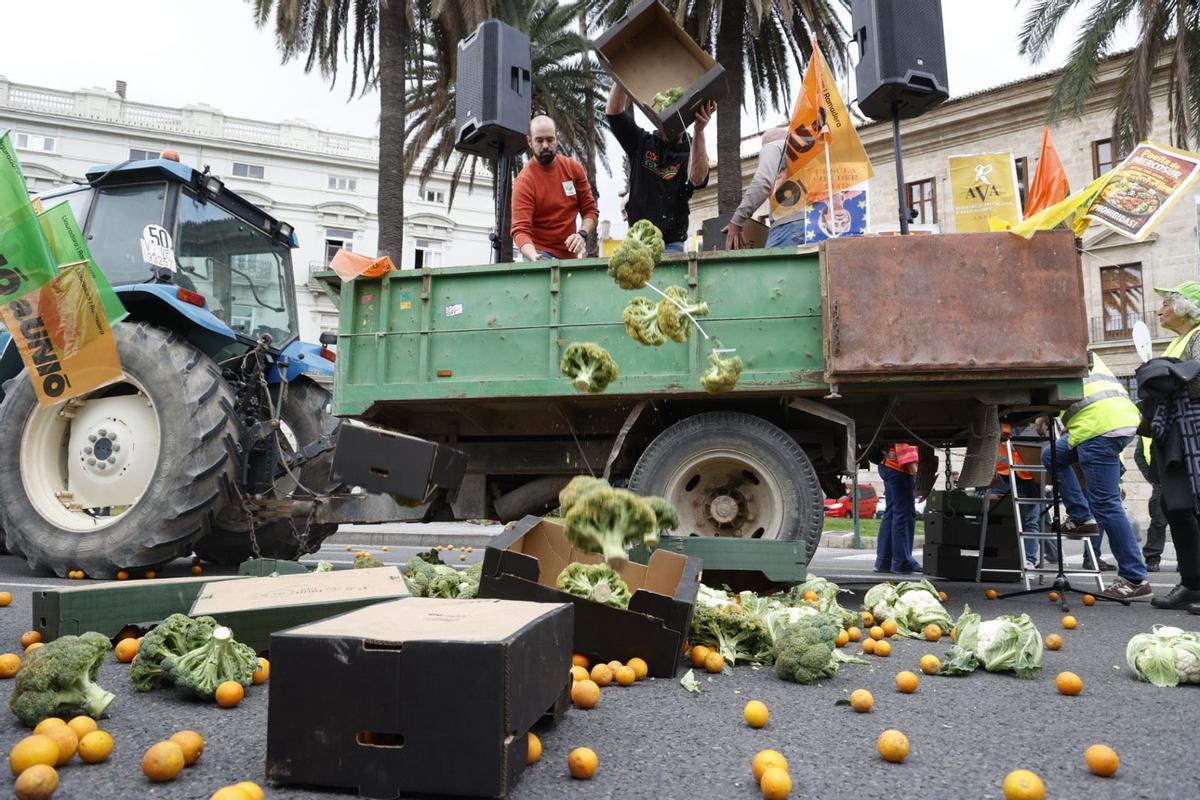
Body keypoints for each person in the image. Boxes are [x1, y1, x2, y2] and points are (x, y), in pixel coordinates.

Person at [1041, 352, 1151, 602]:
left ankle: (1134, 578)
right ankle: (1081, 516)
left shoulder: (1051, 348)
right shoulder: (1082, 349)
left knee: (1106, 504)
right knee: (1052, 456)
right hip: (1112, 420)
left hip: (1098, 428)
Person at [1138, 282, 1200, 612]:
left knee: (1195, 510)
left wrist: (1162, 375)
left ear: (1185, 307)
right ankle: (1192, 584)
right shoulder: (1178, 341)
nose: (1160, 310)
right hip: (1175, 436)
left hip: (1194, 433)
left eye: (1166, 303)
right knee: (1177, 509)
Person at [606, 85, 713, 254]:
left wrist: (699, 131)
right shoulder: (642, 142)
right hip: (637, 241)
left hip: (671, 246)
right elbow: (614, 113)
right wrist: (621, 79)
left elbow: (697, 179)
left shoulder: (691, 152)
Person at [510, 115, 598, 262]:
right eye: (539, 140)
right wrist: (533, 256)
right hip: (539, 253)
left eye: (549, 140)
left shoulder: (573, 168)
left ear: (557, 138)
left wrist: (581, 234)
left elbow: (590, 210)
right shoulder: (524, 181)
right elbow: (520, 230)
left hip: (570, 256)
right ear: (530, 141)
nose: (545, 145)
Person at [991, 422, 1058, 571]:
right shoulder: (1006, 421)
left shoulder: (1038, 423)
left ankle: (1029, 560)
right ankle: (997, 557)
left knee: (1030, 522)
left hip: (1030, 478)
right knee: (996, 519)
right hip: (1004, 475)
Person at [723, 127, 787, 249]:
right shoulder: (806, 153)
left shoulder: (774, 146)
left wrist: (737, 221)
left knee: (774, 266)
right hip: (816, 224)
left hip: (788, 225)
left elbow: (763, 182)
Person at [874, 442, 922, 574]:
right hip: (900, 469)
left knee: (891, 514)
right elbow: (906, 450)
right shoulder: (910, 423)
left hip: (889, 465)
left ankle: (884, 561)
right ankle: (902, 562)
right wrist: (918, 477)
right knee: (904, 515)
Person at [1134, 437, 1169, 572]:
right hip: (1160, 483)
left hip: (1183, 481)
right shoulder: (1149, 429)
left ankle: (1186, 560)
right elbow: (1139, 455)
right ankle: (1152, 557)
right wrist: (1150, 476)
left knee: (1187, 523)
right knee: (1158, 522)